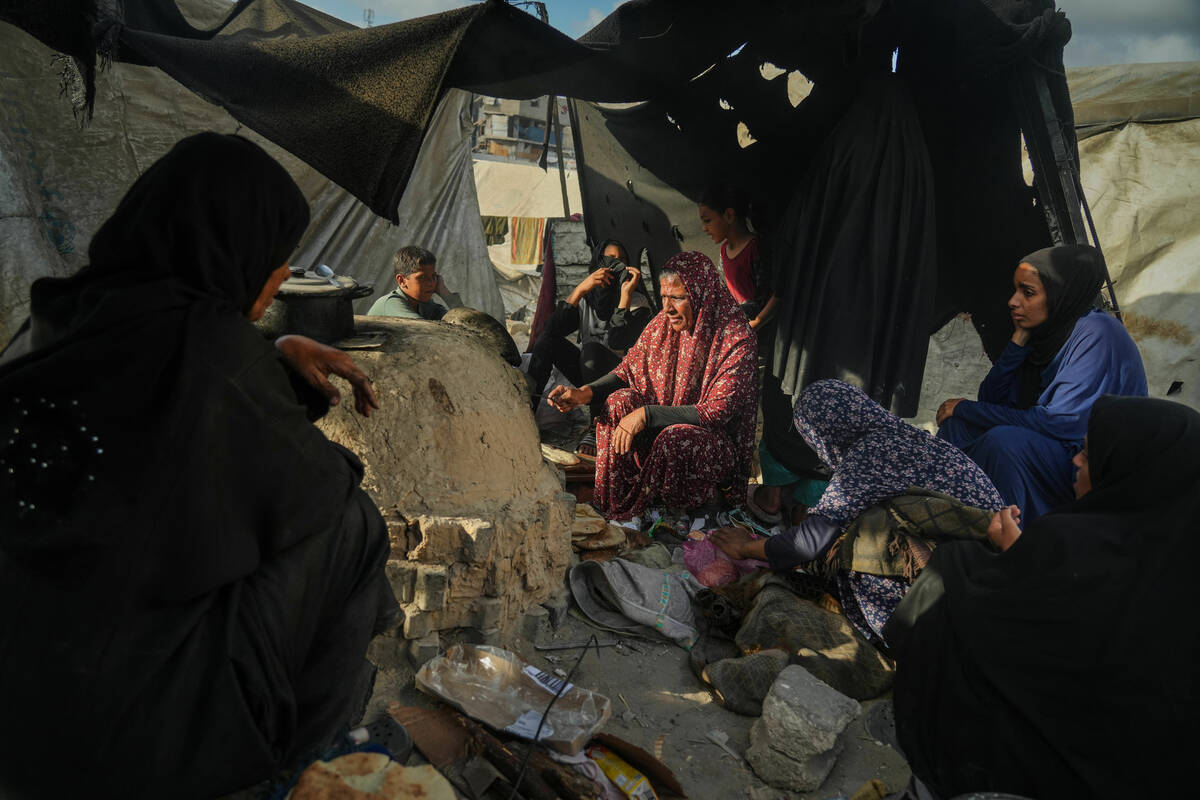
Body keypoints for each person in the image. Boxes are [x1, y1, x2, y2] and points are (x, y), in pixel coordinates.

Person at [0, 133, 395, 798]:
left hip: (19, 705)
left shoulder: (55, 318)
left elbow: (148, 417)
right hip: (116, 745)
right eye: (272, 274)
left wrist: (266, 360)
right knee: (355, 525)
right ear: (235, 258)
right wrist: (270, 374)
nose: (269, 297)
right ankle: (293, 767)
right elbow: (319, 486)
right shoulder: (211, 350)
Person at [885, 396, 1198, 799]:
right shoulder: (1177, 562)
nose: (1075, 462)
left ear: (1127, 468)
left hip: (1041, 767)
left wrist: (1012, 555)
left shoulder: (1075, 544)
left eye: (1087, 453)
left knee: (953, 571)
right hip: (1157, 774)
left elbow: (1017, 614)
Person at [713, 379, 1003, 646]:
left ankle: (896, 635)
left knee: (862, 543)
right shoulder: (915, 439)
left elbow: (811, 541)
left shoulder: (869, 453)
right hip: (995, 573)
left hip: (947, 589)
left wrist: (746, 547)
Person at [936, 244, 1146, 522]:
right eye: (1016, 290)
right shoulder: (1047, 333)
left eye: (1028, 293)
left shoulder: (1098, 335)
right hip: (1053, 445)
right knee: (956, 428)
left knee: (1004, 443)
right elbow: (991, 399)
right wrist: (1017, 341)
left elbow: (1058, 422)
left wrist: (965, 408)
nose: (1013, 301)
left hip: (1088, 463)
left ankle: (1010, 544)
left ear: (1061, 294)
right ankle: (947, 521)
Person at [547, 251, 758, 521]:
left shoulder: (736, 339)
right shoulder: (662, 325)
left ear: (702, 294)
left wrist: (647, 414)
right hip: (659, 431)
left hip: (709, 445)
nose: (668, 307)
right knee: (617, 403)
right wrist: (582, 394)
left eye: (678, 298)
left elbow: (716, 412)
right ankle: (618, 506)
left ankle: (687, 512)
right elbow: (628, 369)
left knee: (675, 438)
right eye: (664, 297)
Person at [526, 239, 653, 411]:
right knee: (546, 342)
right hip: (588, 375)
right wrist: (580, 289)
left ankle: (596, 423)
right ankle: (527, 406)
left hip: (621, 380)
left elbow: (617, 341)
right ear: (599, 263)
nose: (617, 264)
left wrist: (625, 297)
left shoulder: (638, 302)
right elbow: (551, 330)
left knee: (591, 351)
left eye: (622, 259)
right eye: (610, 258)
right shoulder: (588, 300)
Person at [697, 185, 777, 330]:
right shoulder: (724, 251)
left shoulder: (757, 248)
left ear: (729, 215)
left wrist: (755, 324)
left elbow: (775, 295)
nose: (704, 228)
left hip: (761, 330)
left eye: (707, 220)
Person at [366, 244, 463, 320]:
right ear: (402, 280)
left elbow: (465, 322)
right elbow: (426, 330)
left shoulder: (426, 305)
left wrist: (445, 293)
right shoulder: (391, 304)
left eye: (433, 276)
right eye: (422, 278)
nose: (430, 283)